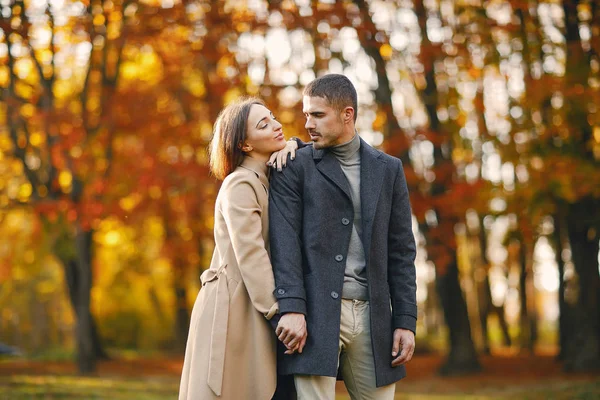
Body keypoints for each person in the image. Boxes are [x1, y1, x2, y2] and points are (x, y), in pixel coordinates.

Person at [269, 74, 417, 400]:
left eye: (318, 115)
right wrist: (292, 307)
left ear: (347, 114)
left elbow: (402, 250)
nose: (308, 123)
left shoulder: (388, 169)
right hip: (314, 314)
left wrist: (405, 320)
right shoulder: (295, 165)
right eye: (306, 114)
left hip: (374, 316)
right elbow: (284, 243)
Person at [179, 97, 301, 400]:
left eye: (272, 117)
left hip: (255, 300)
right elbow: (251, 255)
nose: (276, 125)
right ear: (244, 145)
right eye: (263, 124)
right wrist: (279, 312)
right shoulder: (240, 184)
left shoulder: (268, 177)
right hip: (234, 307)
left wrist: (295, 145)